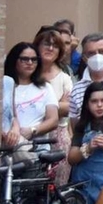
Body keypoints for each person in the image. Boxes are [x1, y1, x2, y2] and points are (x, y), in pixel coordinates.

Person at [0, 42, 59, 150]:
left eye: (34, 59)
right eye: (25, 59)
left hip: (38, 148)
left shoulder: (45, 87)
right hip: (7, 145)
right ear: (14, 60)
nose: (30, 63)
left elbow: (53, 119)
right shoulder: (6, 86)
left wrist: (32, 130)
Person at [34, 28, 74, 185]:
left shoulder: (64, 78)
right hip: (33, 136)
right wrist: (57, 105)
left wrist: (39, 106)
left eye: (55, 46)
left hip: (58, 138)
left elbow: (69, 107)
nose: (50, 49)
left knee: (57, 187)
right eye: (46, 44)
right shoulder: (29, 74)